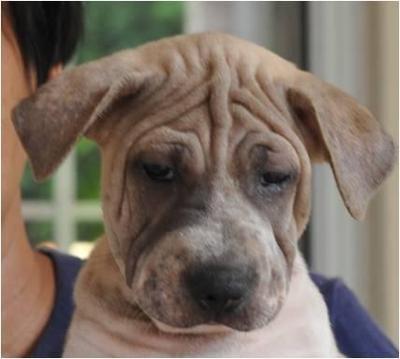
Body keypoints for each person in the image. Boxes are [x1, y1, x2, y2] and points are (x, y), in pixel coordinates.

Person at [2, 2, 398, 358]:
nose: (220, 265)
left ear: (41, 78)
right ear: (88, 118)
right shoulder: (98, 323)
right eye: (159, 172)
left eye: (273, 178)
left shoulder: (334, 319)